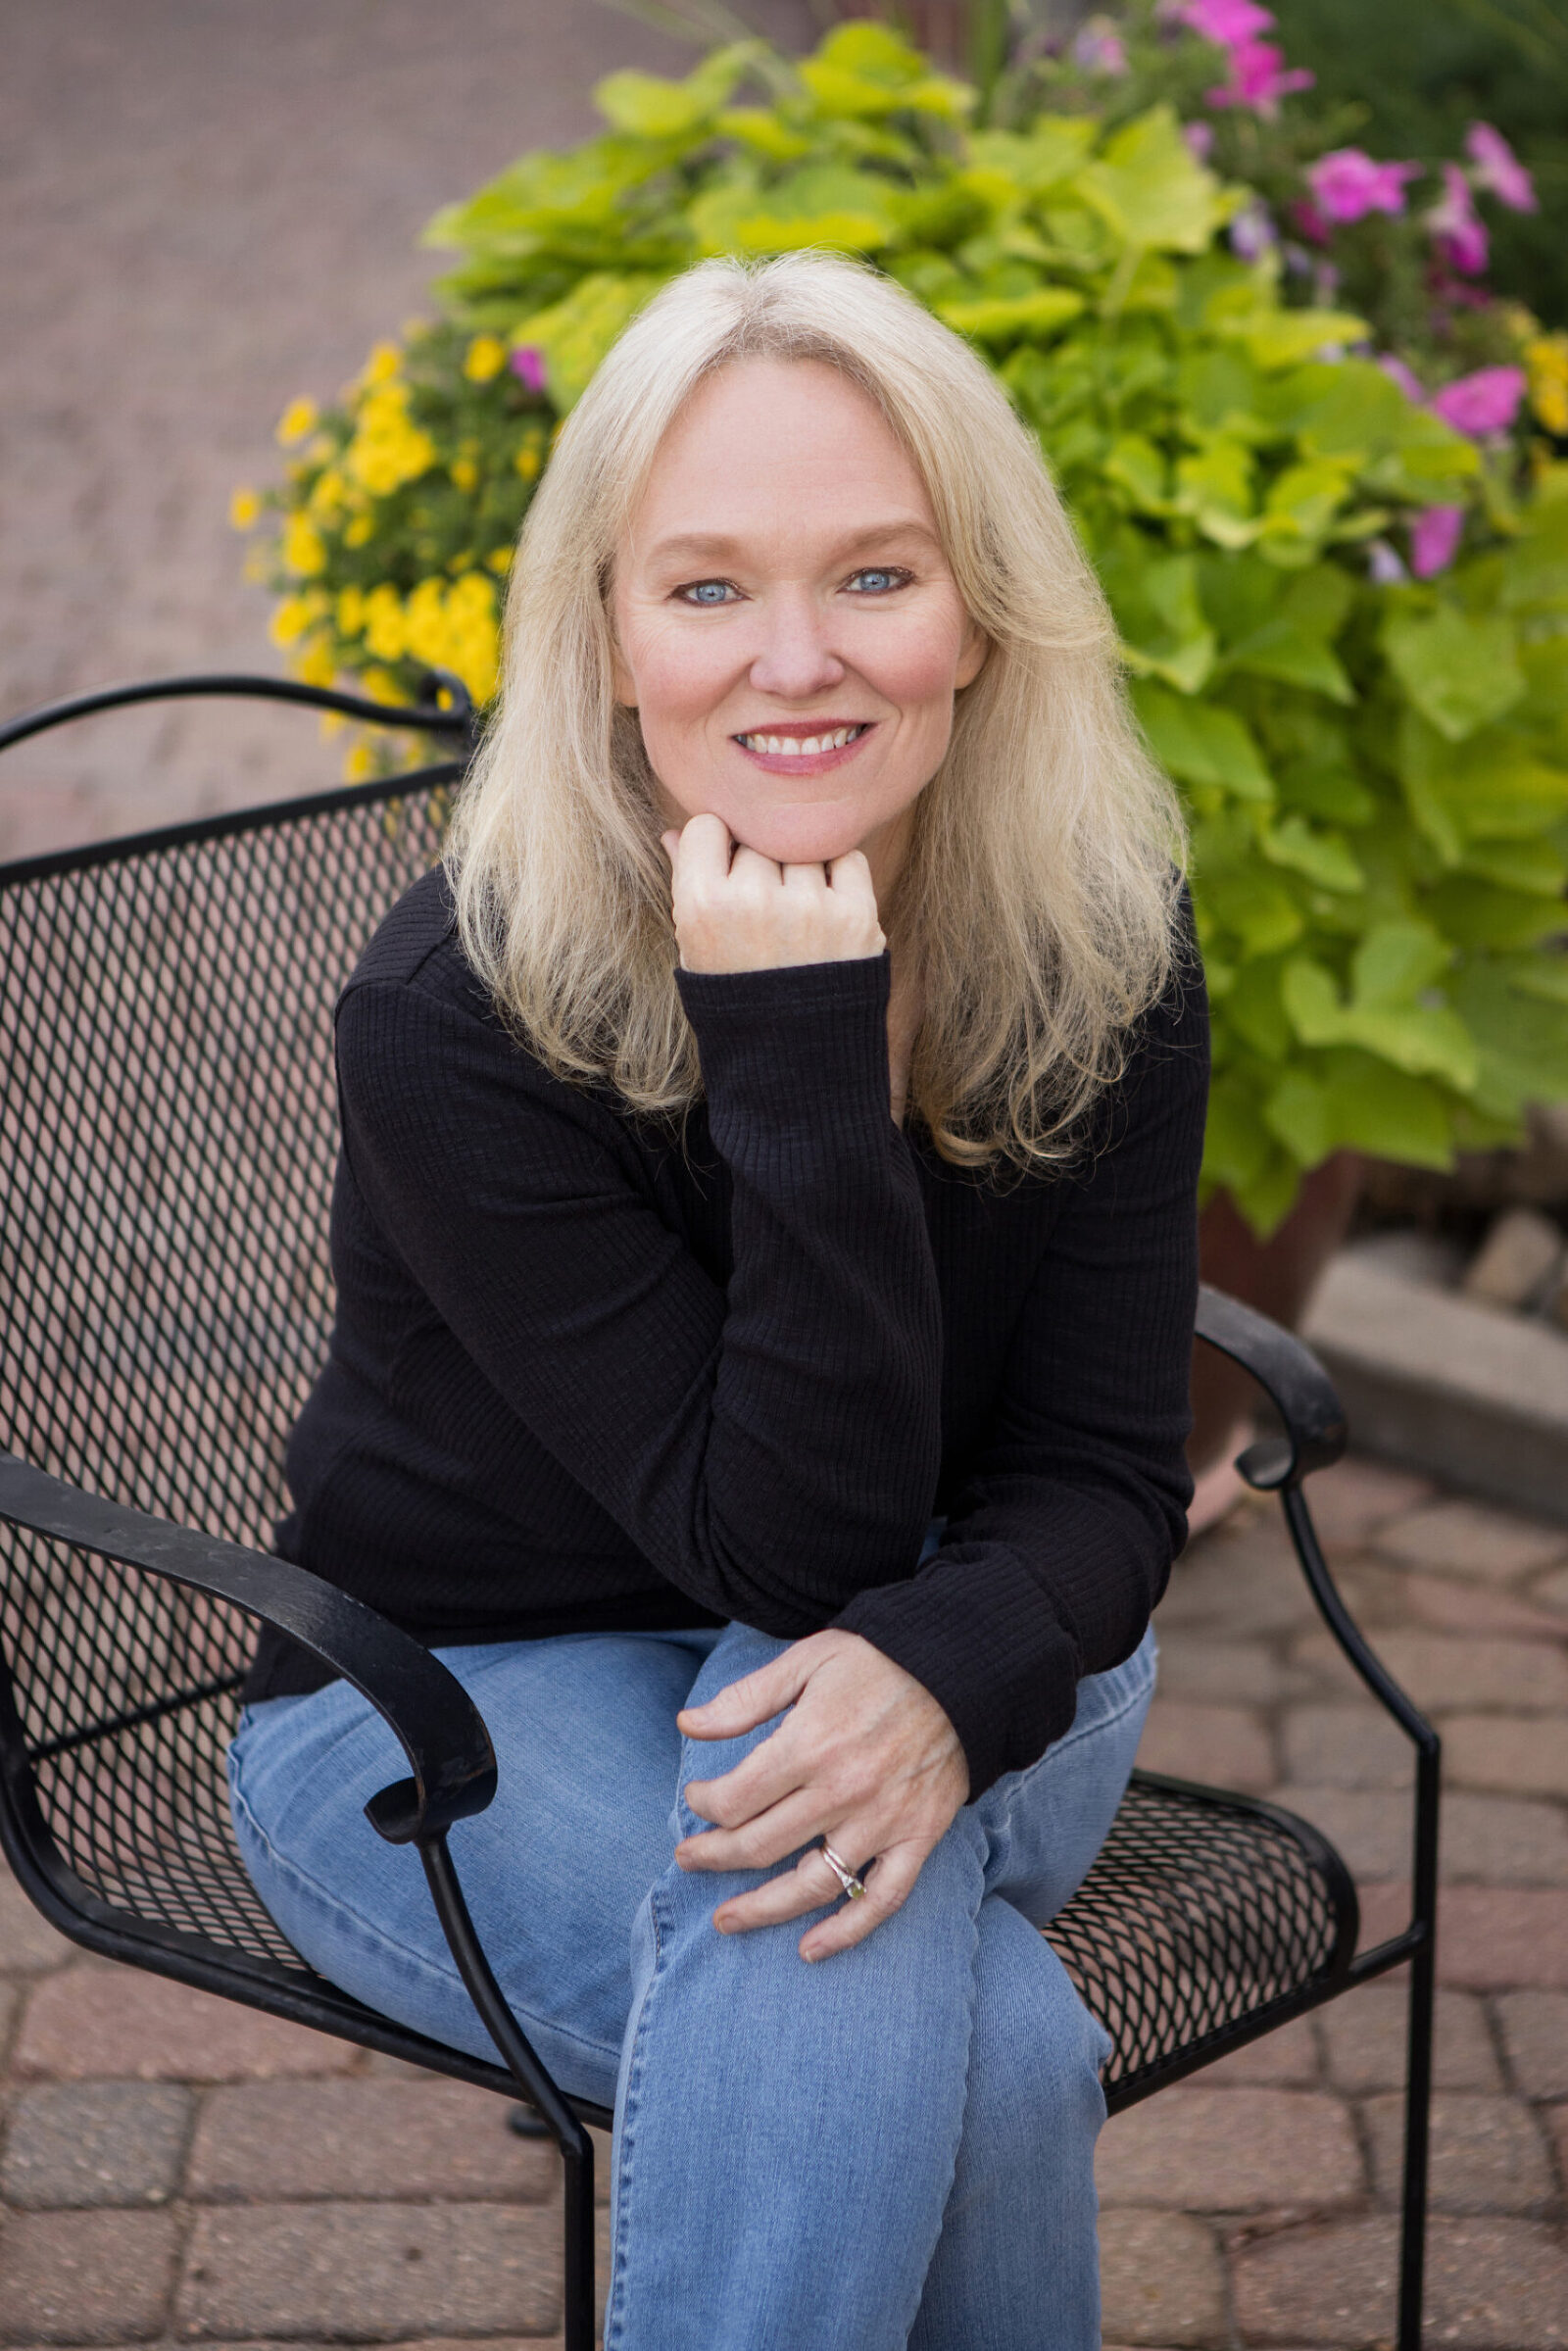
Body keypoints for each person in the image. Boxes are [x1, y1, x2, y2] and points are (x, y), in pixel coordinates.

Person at [226, 250, 1208, 2349]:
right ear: (600, 634)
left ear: (983, 615)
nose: (795, 662)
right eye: (704, 590)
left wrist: (943, 1667)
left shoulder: (1096, 940)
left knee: (824, 1876)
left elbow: (1103, 1473)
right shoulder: (453, 1007)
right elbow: (784, 1541)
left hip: (962, 1624)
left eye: (874, 576)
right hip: (448, 1705)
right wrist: (795, 1054)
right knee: (982, 2041)